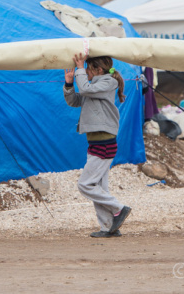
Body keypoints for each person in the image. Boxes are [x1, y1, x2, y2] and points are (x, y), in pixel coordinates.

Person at [64, 53, 132, 238]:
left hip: (104, 141)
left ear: (98, 70)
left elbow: (84, 89)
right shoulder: (93, 86)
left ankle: (119, 208)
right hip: (96, 141)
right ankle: (108, 227)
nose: (85, 71)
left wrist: (78, 69)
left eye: (88, 68)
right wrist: (69, 84)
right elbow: (75, 100)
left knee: (85, 184)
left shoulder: (108, 82)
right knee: (99, 187)